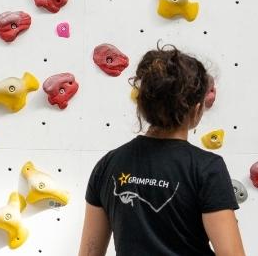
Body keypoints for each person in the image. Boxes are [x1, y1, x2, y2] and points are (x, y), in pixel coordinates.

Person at [78, 44, 245, 256]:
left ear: (143, 105)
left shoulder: (108, 164)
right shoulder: (206, 168)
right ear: (196, 108)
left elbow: (89, 253)